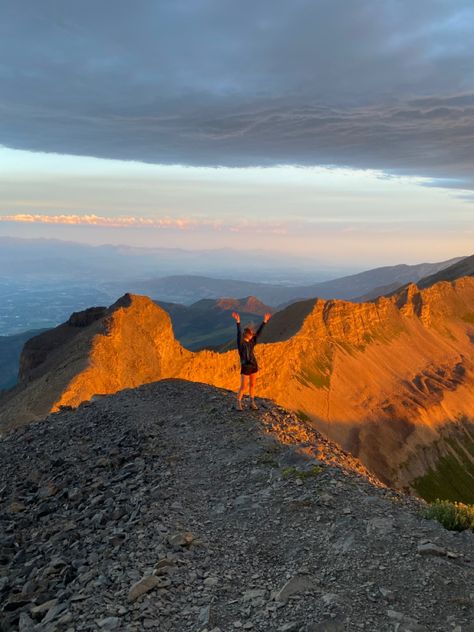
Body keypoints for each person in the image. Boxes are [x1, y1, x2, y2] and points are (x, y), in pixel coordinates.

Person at [231, 310, 271, 410]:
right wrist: (238, 322)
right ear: (247, 334)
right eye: (251, 334)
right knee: (244, 387)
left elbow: (259, 333)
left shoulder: (252, 342)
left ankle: (251, 402)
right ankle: (238, 403)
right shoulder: (241, 344)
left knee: (252, 385)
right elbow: (238, 333)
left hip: (253, 366)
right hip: (245, 367)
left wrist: (264, 322)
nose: (253, 335)